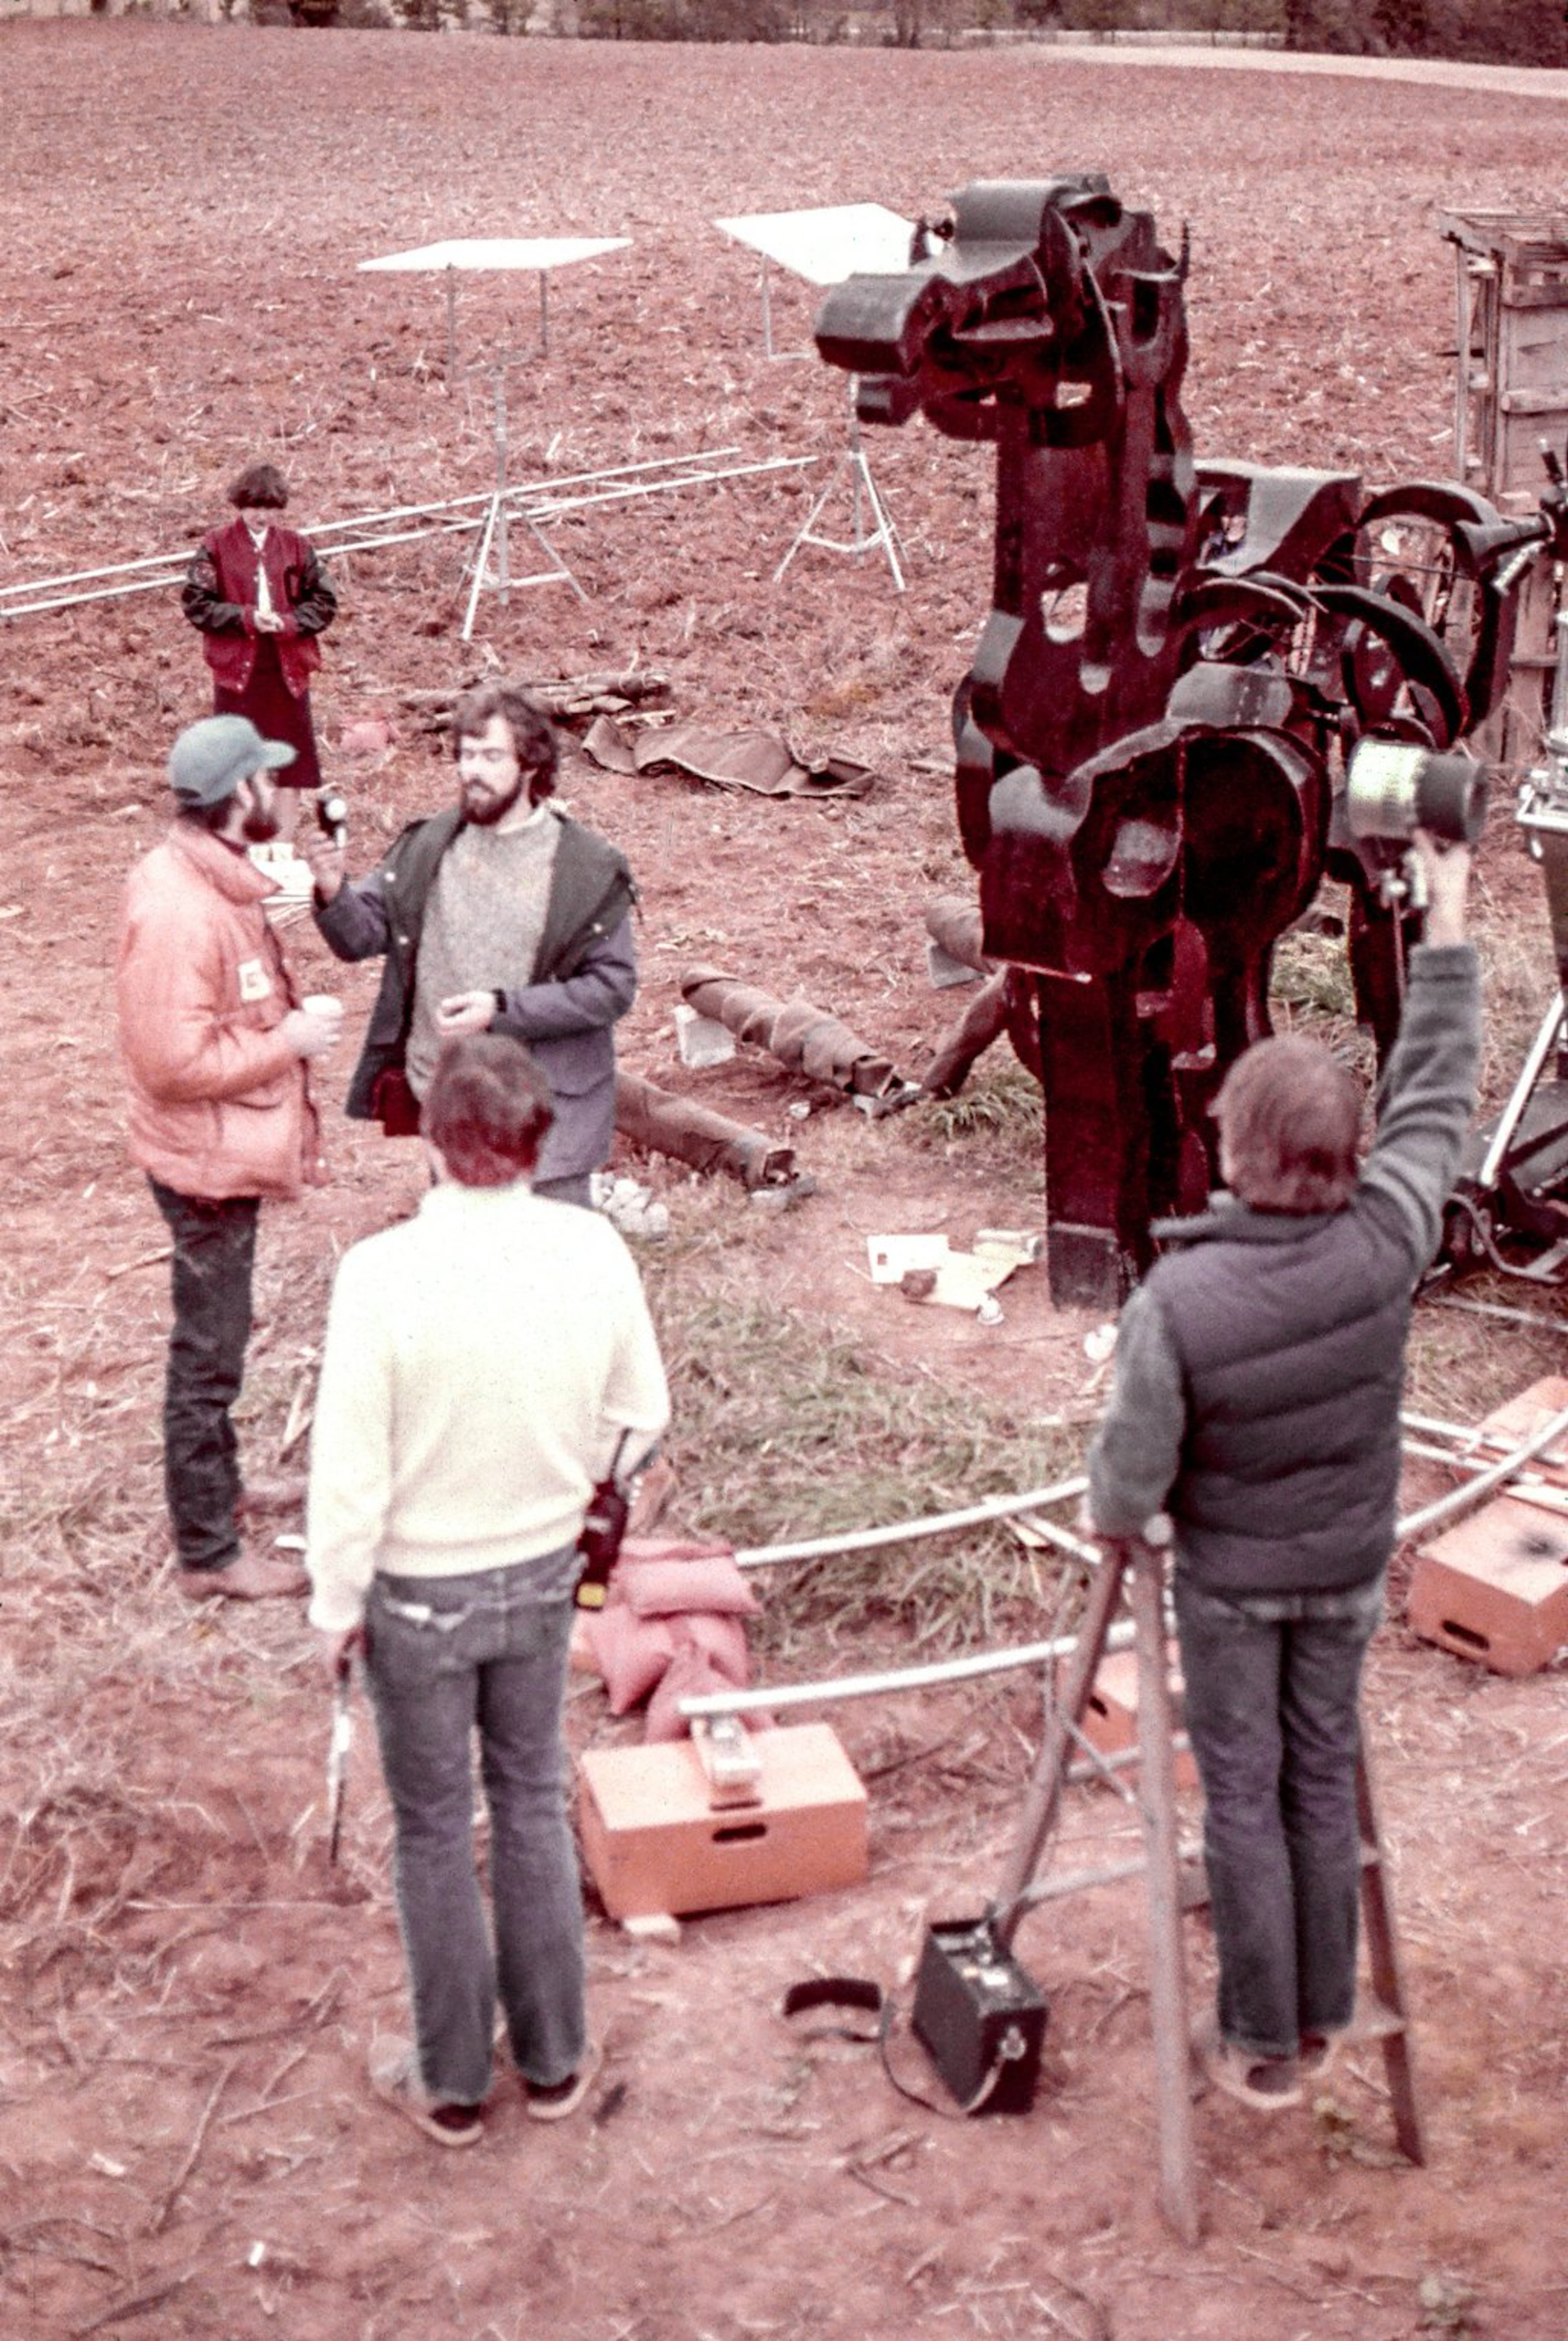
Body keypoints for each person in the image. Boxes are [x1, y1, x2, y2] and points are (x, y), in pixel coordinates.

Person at [1085, 832, 1479, 2112]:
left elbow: (1122, 1483)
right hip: (1347, 1570)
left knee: (1240, 1794)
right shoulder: (1387, 1237)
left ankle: (1261, 2038)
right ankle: (1319, 2006)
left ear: (1233, 1143)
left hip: (1234, 1584)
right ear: (1346, 1148)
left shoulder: (1182, 1296)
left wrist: (1121, 1519)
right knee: (1319, 1773)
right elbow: (1435, 1083)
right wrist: (1453, 908)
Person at [305, 1032, 670, 2147]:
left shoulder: (381, 1274)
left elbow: (350, 1464)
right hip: (540, 1577)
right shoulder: (590, 1249)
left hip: (417, 1592)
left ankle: (453, 2080)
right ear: (536, 1137)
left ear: (431, 1139)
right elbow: (642, 1412)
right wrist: (593, 1485)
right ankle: (557, 2058)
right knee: (528, 1801)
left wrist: (335, 1599)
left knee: (429, 1829)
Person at [116, 715, 343, 1601]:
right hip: (199, 1161)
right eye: (268, 780)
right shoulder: (182, 910)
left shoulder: (212, 880)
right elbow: (170, 1065)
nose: (282, 793)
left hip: (214, 1150)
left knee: (219, 1340)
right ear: (236, 797)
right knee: (207, 1355)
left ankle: (223, 1490)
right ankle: (210, 1555)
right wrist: (286, 1040)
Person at [298, 681, 636, 1207]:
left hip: (547, 1116)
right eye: (466, 755)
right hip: (449, 1107)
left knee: (545, 1277)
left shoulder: (585, 867)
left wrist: (502, 1010)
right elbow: (360, 937)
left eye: (491, 756)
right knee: (469, 1270)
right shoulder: (428, 845)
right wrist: (333, 889)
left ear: (530, 764)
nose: (471, 770)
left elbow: (611, 989)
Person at [182, 460, 336, 802]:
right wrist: (247, 619)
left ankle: (281, 844)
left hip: (287, 668)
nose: (261, 516)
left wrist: (289, 623)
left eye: (269, 508)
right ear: (240, 505)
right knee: (235, 762)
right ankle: (242, 838)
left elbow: (325, 603)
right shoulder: (216, 545)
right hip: (237, 670)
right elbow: (197, 604)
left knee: (290, 767)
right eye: (254, 506)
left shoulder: (298, 546)